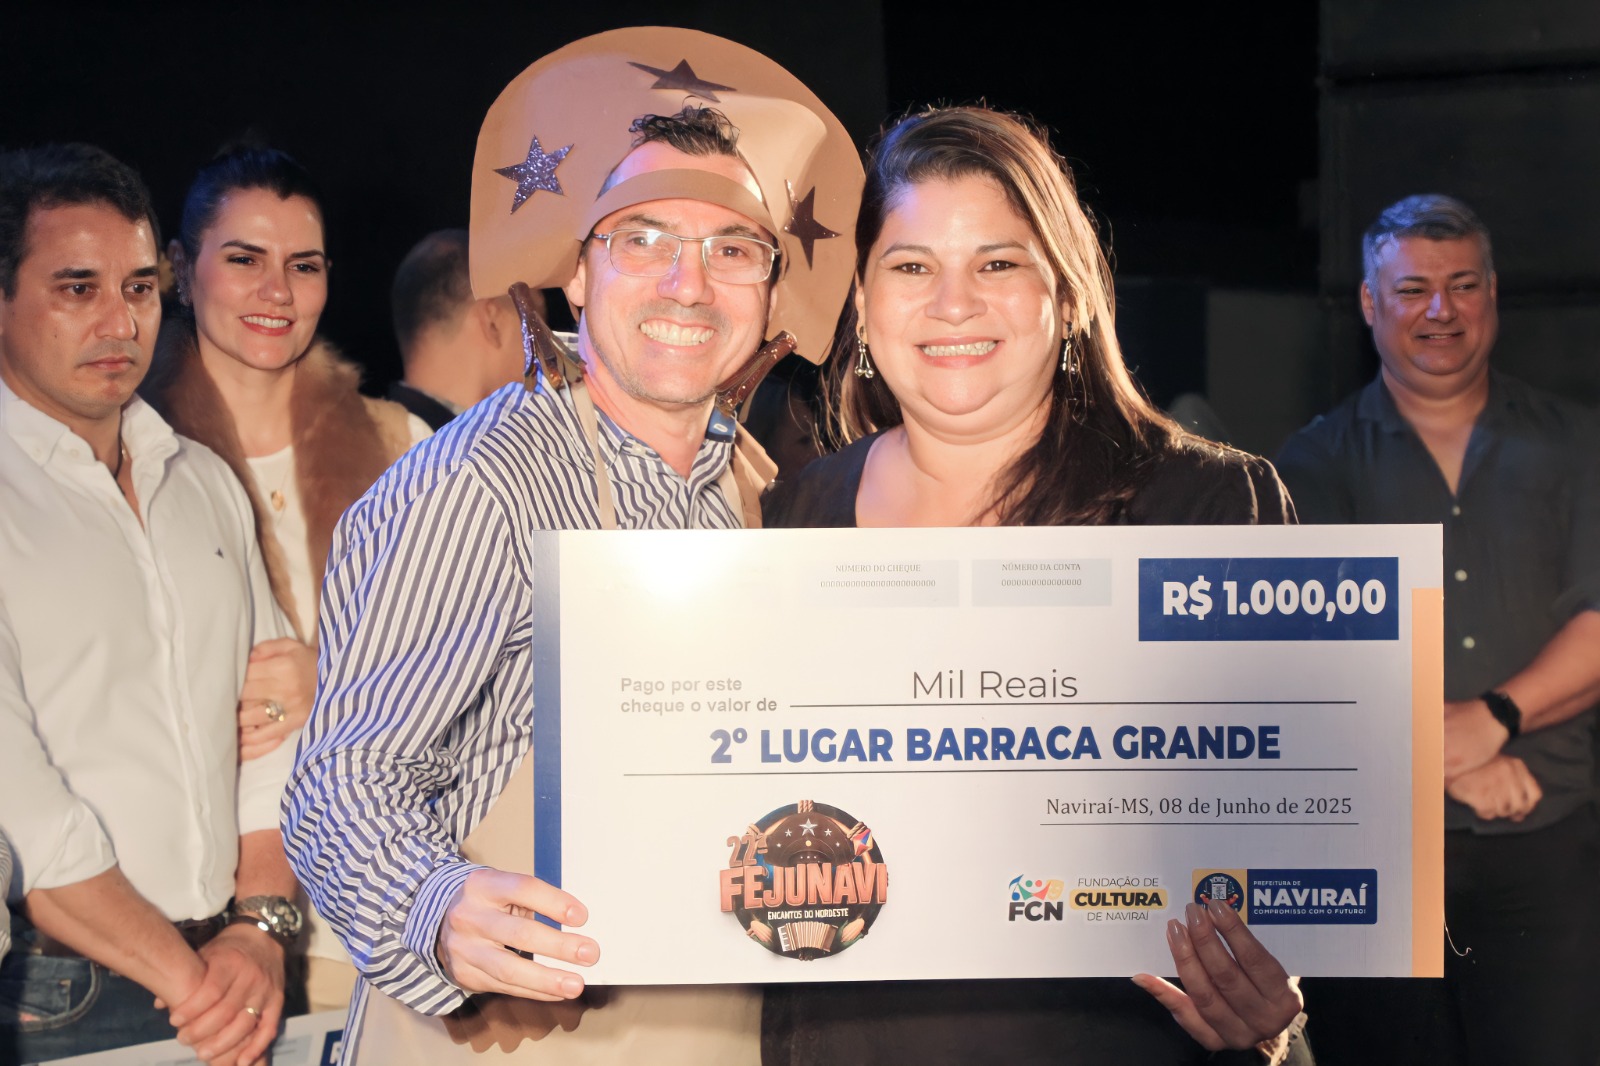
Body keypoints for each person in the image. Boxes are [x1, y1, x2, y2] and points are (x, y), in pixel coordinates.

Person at [282, 27, 861, 1063]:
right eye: (643, 239)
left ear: (771, 292)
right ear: (579, 276)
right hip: (508, 1036)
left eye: (733, 251)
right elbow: (342, 784)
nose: (688, 284)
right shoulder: (481, 481)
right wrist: (436, 905)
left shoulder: (763, 492)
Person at [761, 106, 1308, 1065]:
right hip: (851, 1037)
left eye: (998, 263)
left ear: (1067, 292)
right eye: (911, 265)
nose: (953, 303)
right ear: (863, 300)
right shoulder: (795, 511)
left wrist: (1269, 992)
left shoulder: (1204, 507)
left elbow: (1285, 834)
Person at [1276, 194, 1600, 1066]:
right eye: (1413, 289)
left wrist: (1494, 719)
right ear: (1370, 303)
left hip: (1545, 837)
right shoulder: (1311, 462)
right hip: (1377, 855)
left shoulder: (1580, 443)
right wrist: (1450, 761)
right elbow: (1311, 662)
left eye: (1462, 285)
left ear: (1492, 293)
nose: (1440, 310)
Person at [0, 143, 297, 1064]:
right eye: (77, 288)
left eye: (138, 287)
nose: (120, 322)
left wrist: (261, 927)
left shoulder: (201, 479)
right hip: (64, 994)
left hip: (238, 971)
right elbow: (23, 812)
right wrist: (195, 984)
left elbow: (272, 728)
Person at [140, 145, 429, 1016]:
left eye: (303, 265)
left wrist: (328, 677)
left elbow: (476, 662)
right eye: (244, 259)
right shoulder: (128, 456)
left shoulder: (403, 447)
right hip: (189, 932)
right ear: (180, 270)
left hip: (372, 922)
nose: (277, 291)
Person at [388, 228, 533, 430]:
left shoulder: (376, 438)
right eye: (534, 320)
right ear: (493, 322)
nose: (547, 345)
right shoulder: (450, 445)